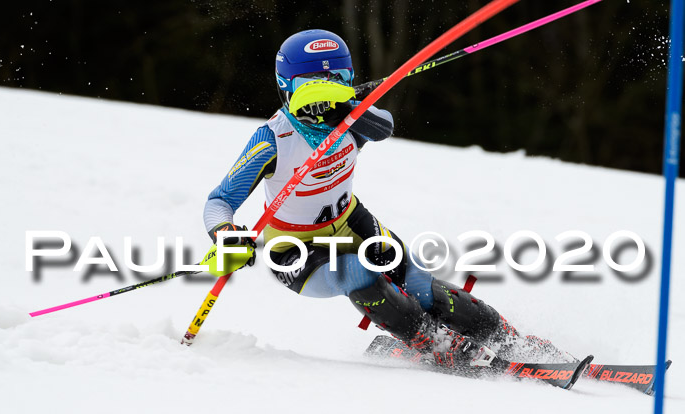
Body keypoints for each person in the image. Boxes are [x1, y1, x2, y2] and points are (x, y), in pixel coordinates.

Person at [203, 29, 572, 369]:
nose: (327, 95)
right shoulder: (273, 140)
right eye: (314, 85)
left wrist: (345, 107)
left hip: (351, 220)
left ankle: (511, 342)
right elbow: (219, 201)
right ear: (287, 86)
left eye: (339, 80)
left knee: (422, 285)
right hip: (294, 246)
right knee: (360, 273)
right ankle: (436, 344)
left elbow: (383, 126)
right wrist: (225, 234)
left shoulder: (352, 118)